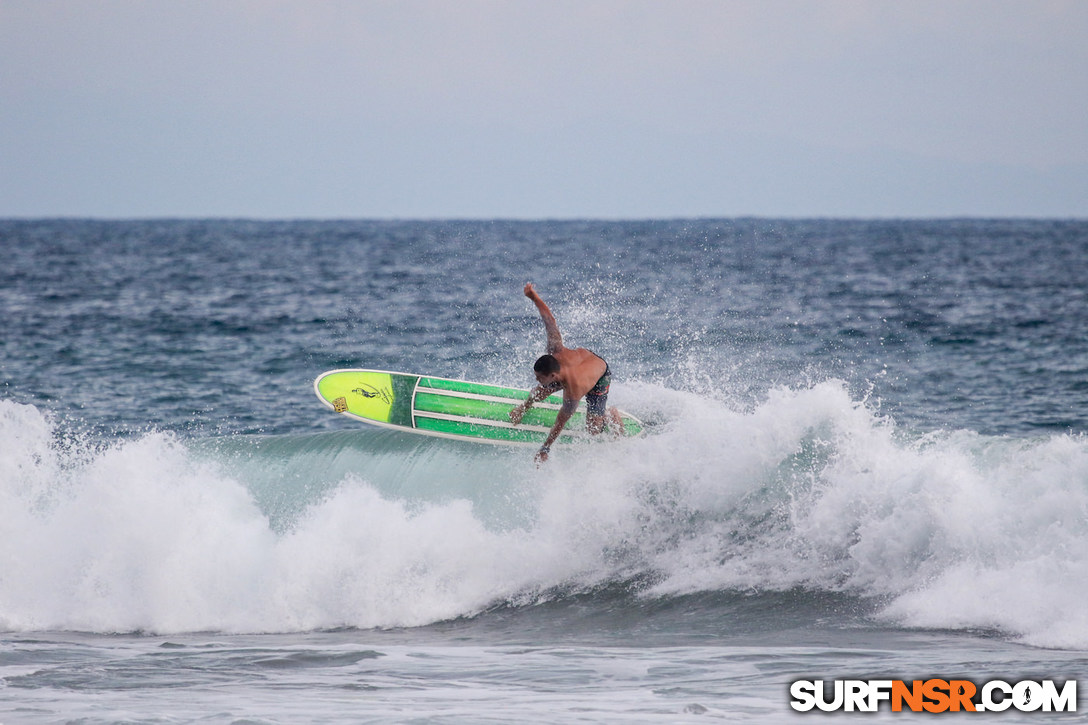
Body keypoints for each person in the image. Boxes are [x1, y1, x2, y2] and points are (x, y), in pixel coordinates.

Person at [509, 282, 624, 463]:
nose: (538, 380)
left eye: (540, 378)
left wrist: (545, 448)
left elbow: (560, 421)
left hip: (599, 375)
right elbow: (549, 321)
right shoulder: (555, 349)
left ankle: (610, 414)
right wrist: (533, 297)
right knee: (539, 392)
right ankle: (522, 408)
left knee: (593, 430)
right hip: (579, 362)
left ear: (553, 376)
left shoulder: (573, 391)